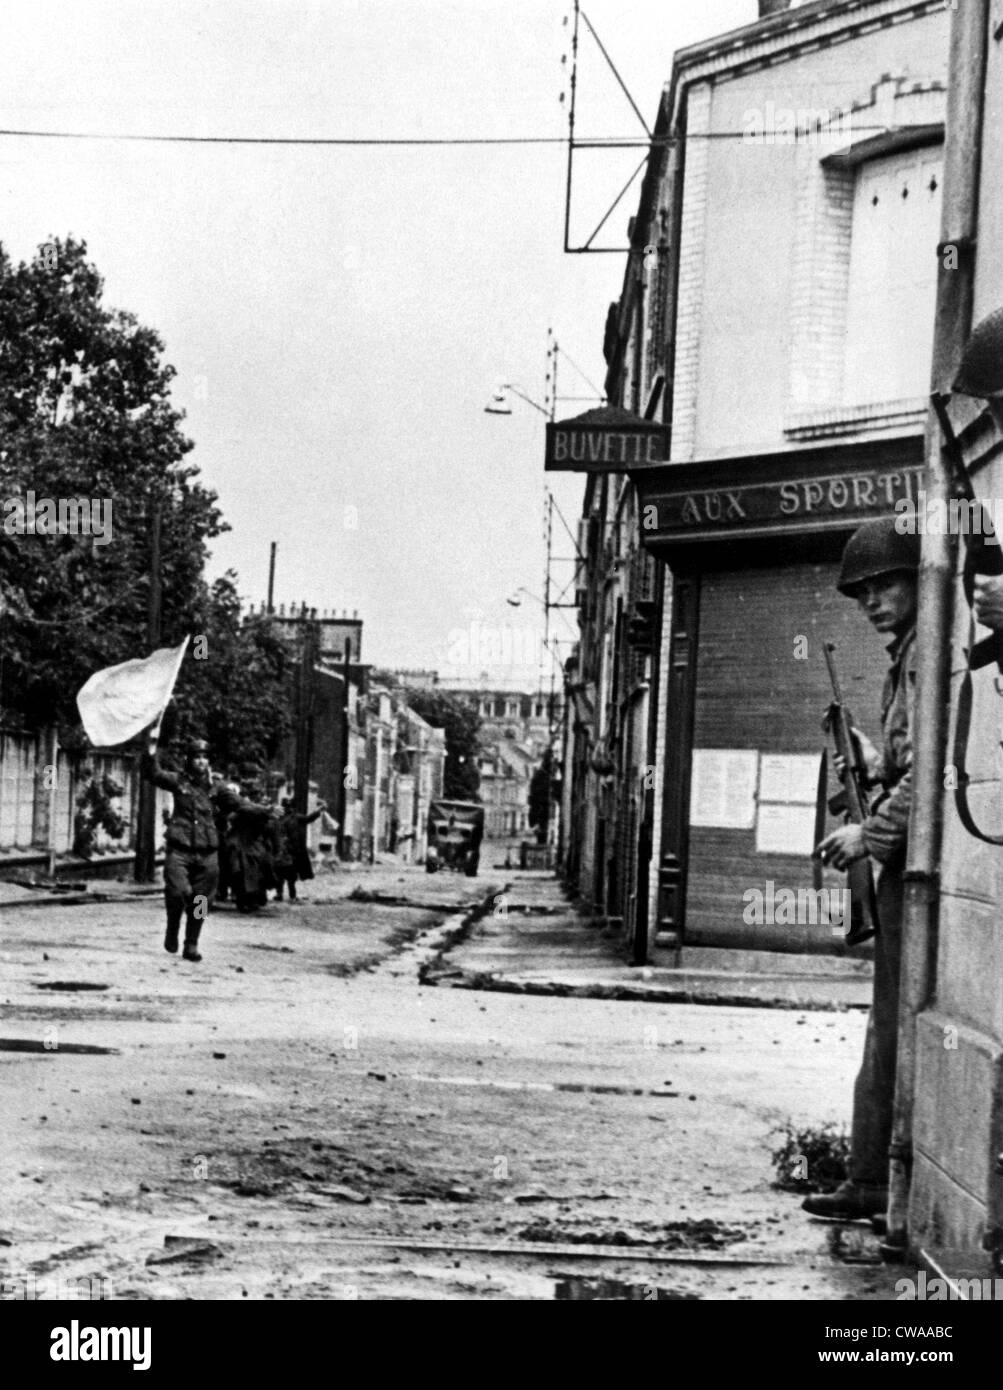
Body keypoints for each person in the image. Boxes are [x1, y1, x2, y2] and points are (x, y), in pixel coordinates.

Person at [807, 516, 920, 1222]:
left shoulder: (920, 657)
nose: (872, 601)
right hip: (905, 868)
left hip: (911, 868)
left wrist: (868, 835)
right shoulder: (905, 657)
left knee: (888, 1027)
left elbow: (932, 770)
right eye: (861, 594)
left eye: (883, 585)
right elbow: (906, 765)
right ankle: (871, 1178)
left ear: (915, 580)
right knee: (883, 1024)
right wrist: (871, 764)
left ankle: (874, 1183)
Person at [141, 734, 267, 962]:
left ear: (209, 762)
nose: (201, 761)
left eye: (205, 757)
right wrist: (151, 750)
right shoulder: (178, 781)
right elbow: (153, 774)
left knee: (202, 902)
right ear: (189, 760)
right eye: (196, 757)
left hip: (207, 852)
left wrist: (265, 810)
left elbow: (241, 804)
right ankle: (172, 927)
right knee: (178, 892)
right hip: (180, 850)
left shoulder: (217, 789)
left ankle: (191, 943)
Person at [274, 796, 326, 902]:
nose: (288, 808)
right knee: (279, 874)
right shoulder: (278, 818)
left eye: (290, 806)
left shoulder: (296, 817)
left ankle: (292, 896)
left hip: (293, 850)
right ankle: (279, 894)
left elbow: (308, 818)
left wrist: (318, 811)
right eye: (286, 806)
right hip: (281, 850)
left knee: (291, 876)